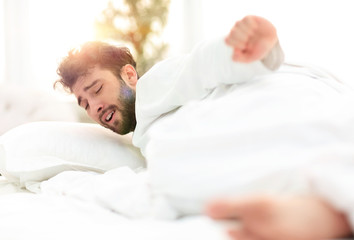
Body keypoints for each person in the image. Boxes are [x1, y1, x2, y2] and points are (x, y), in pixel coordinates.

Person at [55, 15, 353, 240]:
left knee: (170, 163)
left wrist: (241, 48)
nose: (93, 107)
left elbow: (198, 67)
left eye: (95, 89)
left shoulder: (152, 86)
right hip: (292, 102)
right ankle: (326, 208)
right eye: (84, 104)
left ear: (130, 75)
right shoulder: (151, 125)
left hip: (276, 89)